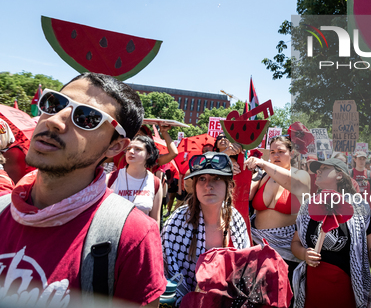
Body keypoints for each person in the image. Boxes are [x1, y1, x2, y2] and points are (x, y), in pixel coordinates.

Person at [0, 72, 166, 306]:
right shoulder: (2, 208)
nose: (54, 120)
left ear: (115, 146)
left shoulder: (133, 235)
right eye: (54, 103)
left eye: (87, 118)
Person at [291, 158, 371, 308]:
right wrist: (304, 254)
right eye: (317, 169)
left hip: (346, 292)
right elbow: (295, 243)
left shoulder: (360, 209)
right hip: (313, 292)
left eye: (324, 168)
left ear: (340, 175)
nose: (318, 171)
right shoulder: (307, 207)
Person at [161, 151, 250, 306]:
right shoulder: (176, 223)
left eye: (217, 178)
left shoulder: (236, 221)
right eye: (202, 179)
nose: (208, 186)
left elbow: (246, 272)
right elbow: (165, 274)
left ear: (229, 185)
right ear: (194, 186)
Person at [247, 136, 311, 283]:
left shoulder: (301, 175)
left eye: (281, 151)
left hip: (286, 249)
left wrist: (263, 163)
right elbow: (245, 195)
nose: (276, 155)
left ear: (292, 153)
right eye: (272, 152)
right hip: (256, 243)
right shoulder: (263, 175)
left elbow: (292, 183)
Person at [108, 135, 164, 225]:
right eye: (128, 148)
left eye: (138, 149)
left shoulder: (155, 183)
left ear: (148, 154)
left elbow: (155, 221)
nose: (131, 151)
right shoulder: (110, 179)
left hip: (140, 237)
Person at [351, 150, 371, 215]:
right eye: (360, 159)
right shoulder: (349, 174)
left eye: (363, 159)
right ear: (355, 159)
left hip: (368, 211)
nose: (362, 161)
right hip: (353, 211)